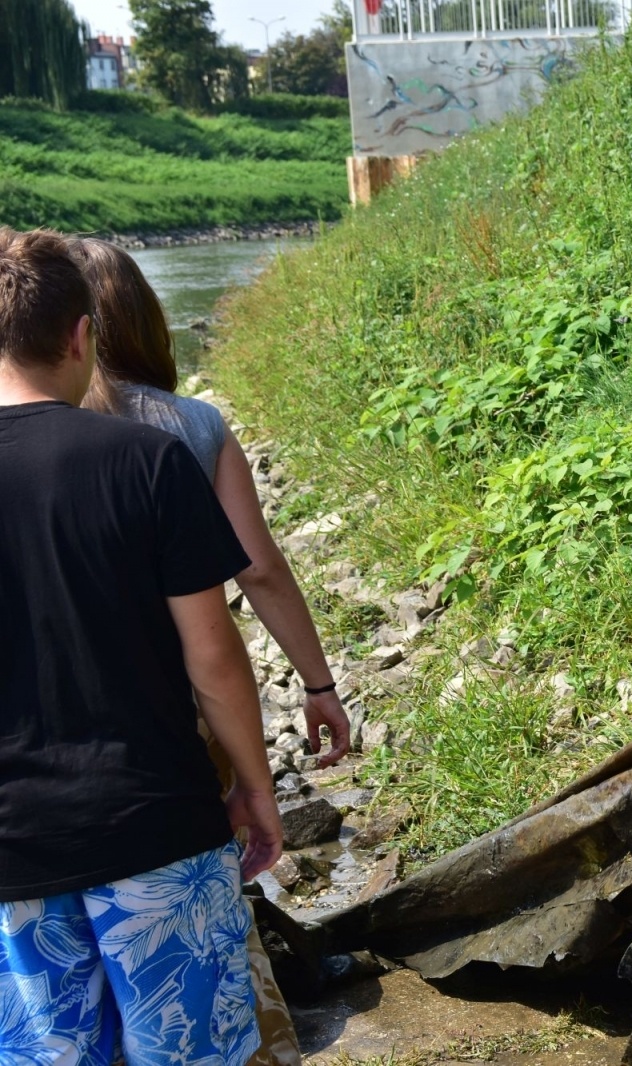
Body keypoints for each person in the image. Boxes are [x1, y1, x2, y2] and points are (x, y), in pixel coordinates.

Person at [0, 226, 281, 1062]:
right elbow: (213, 656)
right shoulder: (149, 461)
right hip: (156, 825)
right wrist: (255, 785)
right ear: (81, 335)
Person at [71, 236, 349, 1066]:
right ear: (141, 321)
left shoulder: (27, 434)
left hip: (50, 723)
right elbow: (258, 570)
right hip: (183, 711)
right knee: (197, 897)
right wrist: (318, 683)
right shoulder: (189, 427)